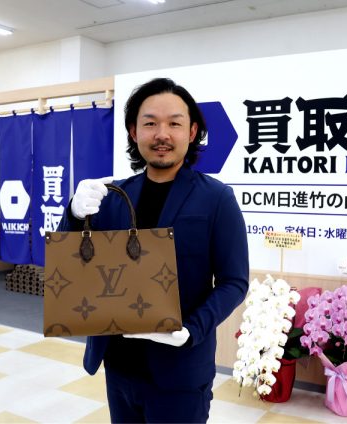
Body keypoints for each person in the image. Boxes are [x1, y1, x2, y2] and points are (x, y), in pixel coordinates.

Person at [57, 77, 249, 423]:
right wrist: (72, 213)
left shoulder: (217, 198)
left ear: (192, 132)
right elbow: (71, 265)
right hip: (118, 365)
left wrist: (192, 329)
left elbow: (234, 281)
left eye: (174, 123)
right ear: (134, 132)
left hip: (180, 372)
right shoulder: (112, 196)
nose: (162, 134)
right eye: (150, 123)